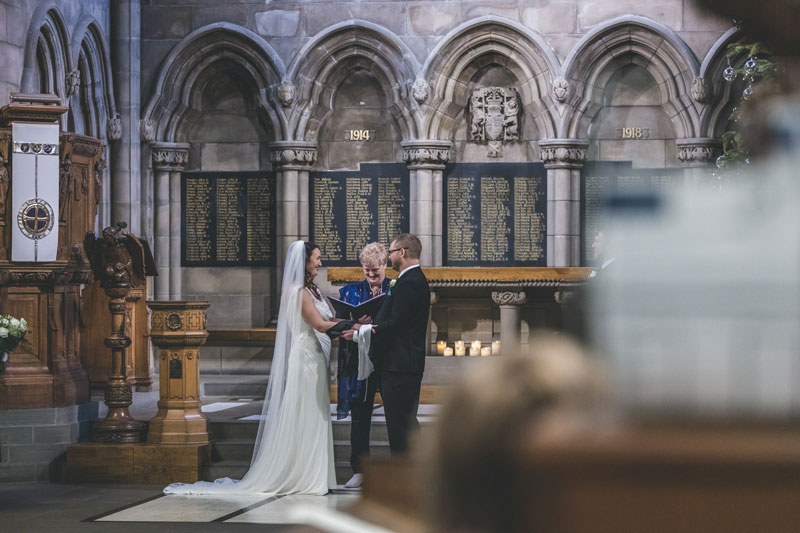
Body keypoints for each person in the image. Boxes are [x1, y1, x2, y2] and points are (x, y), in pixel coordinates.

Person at [164, 240, 349, 495]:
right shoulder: (298, 292)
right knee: (306, 413)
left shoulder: (312, 291)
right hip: (306, 357)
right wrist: (353, 327)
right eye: (317, 258)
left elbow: (327, 320)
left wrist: (350, 323)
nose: (320, 262)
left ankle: (316, 474)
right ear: (304, 262)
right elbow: (318, 324)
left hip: (315, 357)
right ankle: (304, 476)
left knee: (316, 413)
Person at [344, 233, 431, 455]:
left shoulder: (410, 282)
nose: (390, 257)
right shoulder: (407, 280)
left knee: (401, 428)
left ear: (402, 252)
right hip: (399, 364)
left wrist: (359, 331)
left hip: (400, 365)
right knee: (402, 426)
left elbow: (395, 324)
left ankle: (406, 479)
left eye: (391, 252)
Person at [336, 242, 391, 489]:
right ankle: (360, 469)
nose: (370, 275)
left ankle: (400, 468)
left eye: (375, 270)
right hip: (358, 359)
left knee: (396, 414)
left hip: (388, 359)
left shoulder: (394, 289)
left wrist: (369, 326)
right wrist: (351, 322)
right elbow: (337, 321)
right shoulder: (350, 291)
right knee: (359, 414)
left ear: (385, 265)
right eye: (366, 270)